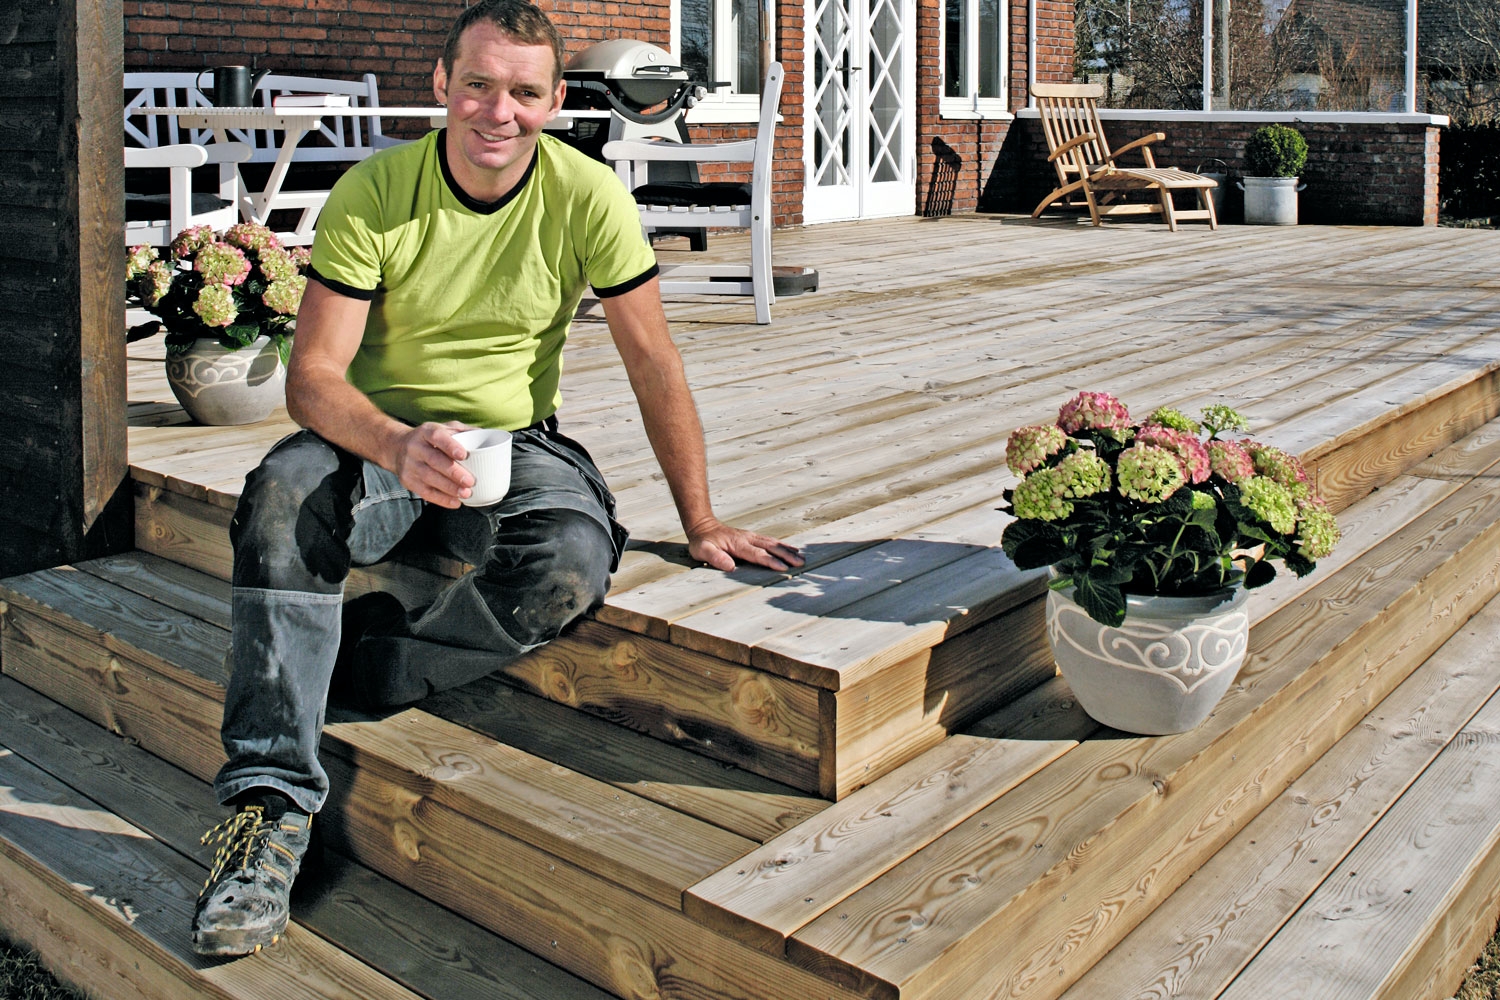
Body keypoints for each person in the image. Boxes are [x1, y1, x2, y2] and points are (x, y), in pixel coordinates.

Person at [190, 0, 802, 957]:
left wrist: (702, 516)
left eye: (523, 92)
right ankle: (267, 808)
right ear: (441, 85)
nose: (497, 112)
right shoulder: (375, 191)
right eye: (477, 85)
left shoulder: (587, 194)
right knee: (278, 497)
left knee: (566, 562)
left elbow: (653, 362)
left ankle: (366, 665)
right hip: (373, 436)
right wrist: (394, 445)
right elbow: (312, 380)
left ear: (557, 100)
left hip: (518, 441)